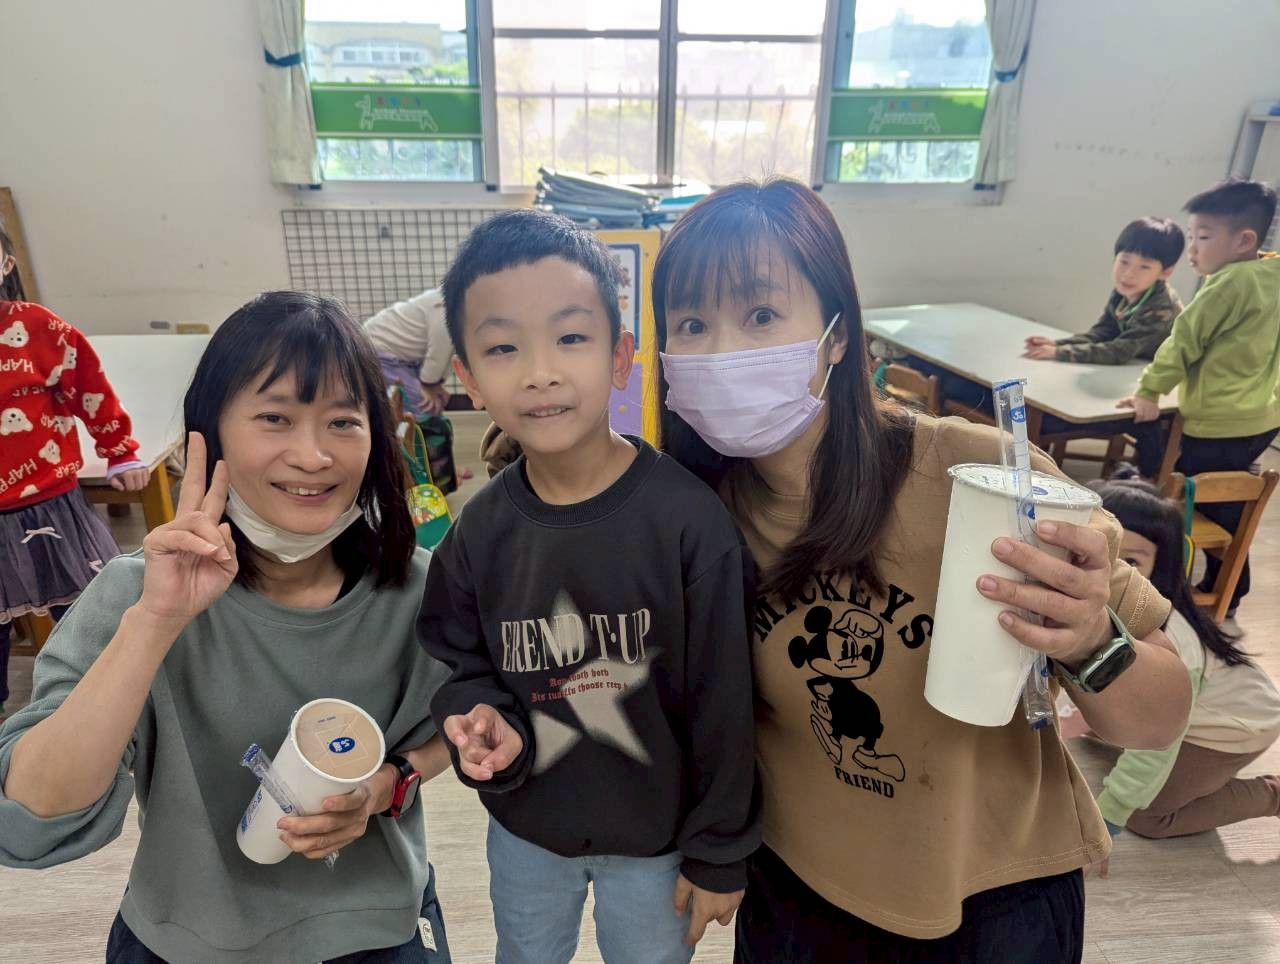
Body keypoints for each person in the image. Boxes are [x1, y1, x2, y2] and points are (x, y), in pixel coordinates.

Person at [653, 178, 1191, 962]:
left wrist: (1088, 640)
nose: (724, 350)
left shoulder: (984, 478)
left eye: (762, 314)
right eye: (692, 324)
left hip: (996, 901)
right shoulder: (694, 515)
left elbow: (1159, 718)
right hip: (797, 893)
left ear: (837, 334)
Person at [0, 292, 454, 962]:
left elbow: (466, 720)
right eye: (274, 418)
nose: (312, 455)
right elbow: (31, 820)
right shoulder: (134, 595)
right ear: (208, 436)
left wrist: (390, 783)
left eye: (342, 421)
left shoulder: (418, 589)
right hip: (188, 941)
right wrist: (156, 621)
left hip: (377, 929)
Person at [419, 209, 761, 964]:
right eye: (503, 348)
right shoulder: (478, 531)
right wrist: (481, 718)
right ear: (468, 379)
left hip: (659, 841)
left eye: (571, 338)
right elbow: (456, 661)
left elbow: (727, 701)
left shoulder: (688, 522)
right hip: (527, 828)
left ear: (621, 356)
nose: (539, 372)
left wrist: (719, 849)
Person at [0, 223, 150, 724]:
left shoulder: (38, 327)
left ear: (5, 264)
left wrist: (120, 451)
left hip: (49, 502)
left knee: (90, 616)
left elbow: (90, 388)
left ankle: (108, 704)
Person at [1089, 475, 1280, 851]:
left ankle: (1272, 795)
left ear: (1160, 566)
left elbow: (1158, 743)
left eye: (1131, 560)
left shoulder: (1168, 641)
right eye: (1101, 550)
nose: (1111, 569)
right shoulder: (1105, 606)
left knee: (1147, 817)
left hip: (1234, 729)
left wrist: (1110, 814)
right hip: (1210, 701)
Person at [1118, 177, 1280, 616]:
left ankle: (1210, 586)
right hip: (1263, 416)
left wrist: (1149, 390)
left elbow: (1182, 342)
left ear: (1244, 241)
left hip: (1220, 419)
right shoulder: (1271, 274)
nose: (1192, 249)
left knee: (1193, 501)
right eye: (1191, 236)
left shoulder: (1227, 283)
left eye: (1203, 237)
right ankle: (1228, 585)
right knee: (1226, 497)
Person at [1023, 217, 1184, 365]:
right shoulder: (1125, 290)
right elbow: (1104, 331)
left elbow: (1120, 351)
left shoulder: (1162, 307)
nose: (1129, 274)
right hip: (1139, 365)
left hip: (1171, 374)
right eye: (1124, 261)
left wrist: (1059, 353)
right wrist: (1058, 344)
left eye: (1144, 267)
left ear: (1165, 272)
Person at [364, 288, 454, 416]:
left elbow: (452, 352)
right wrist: (429, 384)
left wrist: (437, 383)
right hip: (378, 352)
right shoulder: (444, 307)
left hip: (404, 359)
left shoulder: (456, 304)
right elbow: (438, 354)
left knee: (435, 402)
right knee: (422, 406)